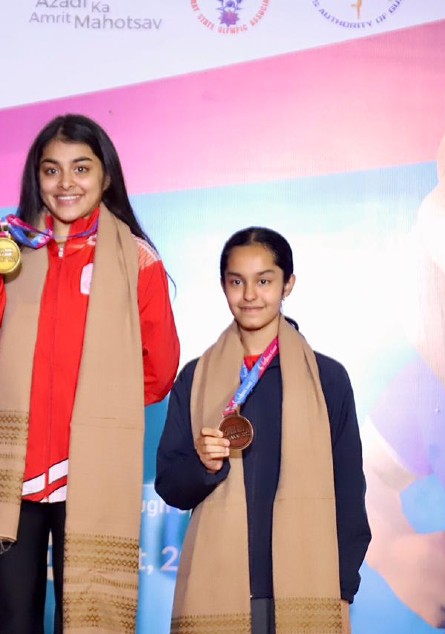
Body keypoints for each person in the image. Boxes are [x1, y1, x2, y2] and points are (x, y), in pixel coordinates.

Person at [0, 113, 180, 634]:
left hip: (91, 473)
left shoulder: (137, 261)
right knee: (15, 624)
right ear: (37, 179)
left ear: (106, 177)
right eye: (51, 171)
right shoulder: (10, 253)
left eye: (81, 168)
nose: (66, 183)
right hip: (16, 474)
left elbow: (159, 374)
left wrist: (98, 409)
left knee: (89, 625)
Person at [155, 227, 370, 634]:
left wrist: (342, 589)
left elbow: (349, 494)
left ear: (288, 284)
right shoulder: (196, 378)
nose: (250, 295)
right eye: (237, 281)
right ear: (223, 286)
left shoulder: (328, 378)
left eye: (265, 280)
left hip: (307, 586)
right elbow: (170, 484)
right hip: (219, 585)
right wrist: (204, 466)